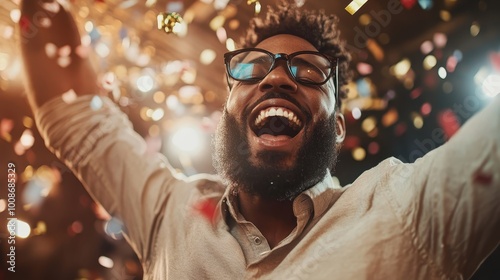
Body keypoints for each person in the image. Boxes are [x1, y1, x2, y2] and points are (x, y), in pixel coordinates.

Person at [20, 0, 499, 279]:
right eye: (252, 68)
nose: (277, 79)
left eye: (308, 72)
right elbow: (73, 113)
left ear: (337, 125)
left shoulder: (403, 206)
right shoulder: (170, 210)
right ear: (227, 105)